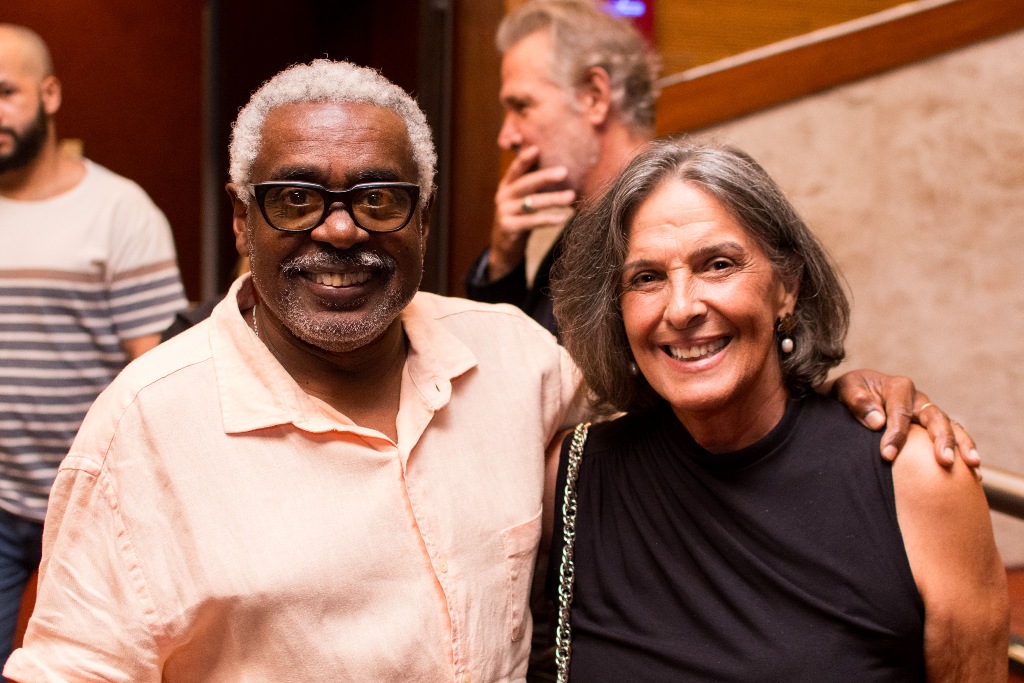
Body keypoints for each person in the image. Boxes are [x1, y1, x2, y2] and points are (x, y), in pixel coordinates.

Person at [3, 59, 971, 682]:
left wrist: (840, 390)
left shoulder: (517, 363)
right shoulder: (145, 426)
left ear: (424, 217)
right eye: (295, 197)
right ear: (240, 216)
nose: (338, 230)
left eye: (380, 198)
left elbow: (700, 386)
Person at [546, 139, 1008, 681]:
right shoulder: (573, 477)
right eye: (646, 278)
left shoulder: (918, 480)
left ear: (786, 288)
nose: (682, 307)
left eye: (718, 265)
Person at [0, 24, 186, 667]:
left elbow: (157, 373)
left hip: (94, 503)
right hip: (0, 499)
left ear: (49, 94)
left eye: (5, 93)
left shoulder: (119, 210)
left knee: (88, 668)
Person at [464, 0, 656, 337]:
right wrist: (504, 260)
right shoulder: (585, 225)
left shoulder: (665, 225)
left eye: (521, 106)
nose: (506, 137)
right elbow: (522, 356)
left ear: (594, 97)